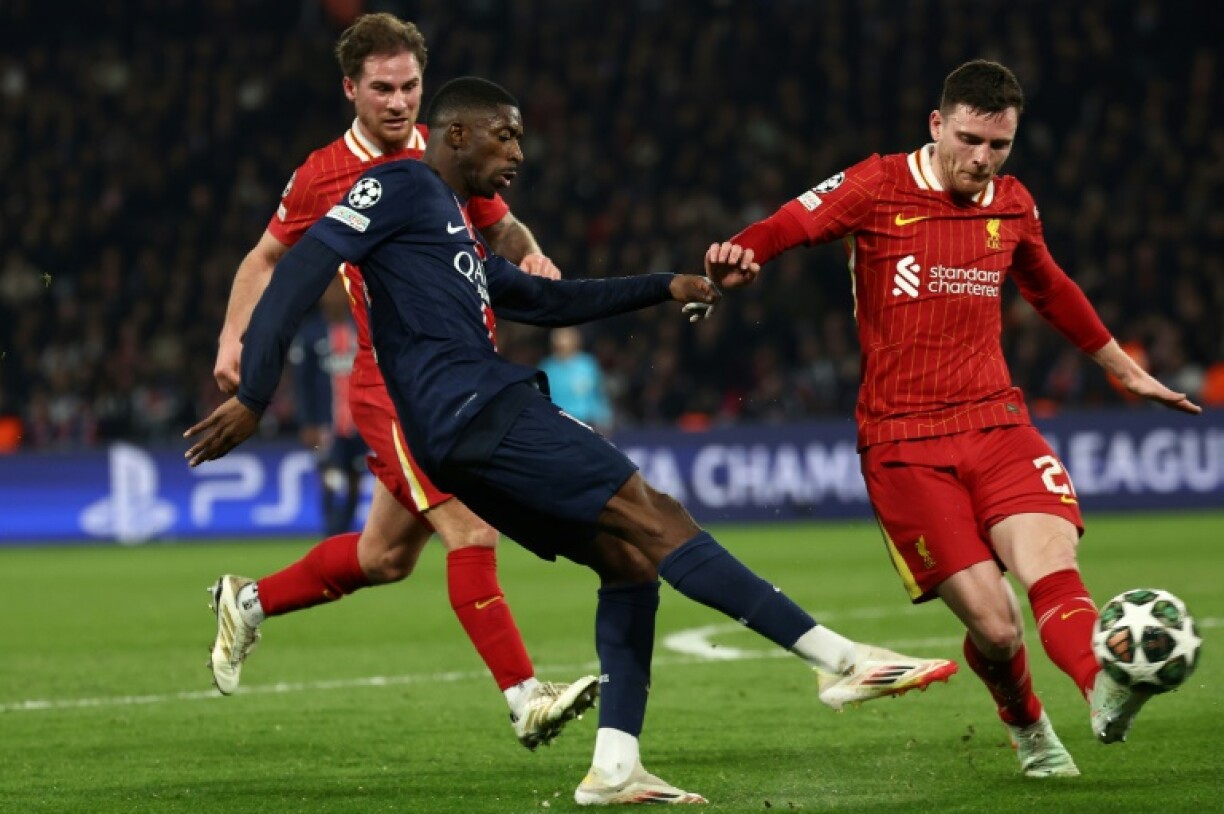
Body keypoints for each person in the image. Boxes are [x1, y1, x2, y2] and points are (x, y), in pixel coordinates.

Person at [186, 76, 958, 806]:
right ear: (456, 134)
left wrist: (664, 286)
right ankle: (841, 661)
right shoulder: (399, 185)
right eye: (505, 137)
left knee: (626, 562)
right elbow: (299, 269)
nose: (518, 154)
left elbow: (542, 299)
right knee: (658, 516)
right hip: (476, 410)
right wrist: (257, 390)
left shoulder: (445, 218)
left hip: (460, 431)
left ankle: (616, 767)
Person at [703, 59, 1202, 779]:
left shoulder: (1013, 203)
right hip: (903, 442)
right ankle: (1027, 725)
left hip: (998, 423)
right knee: (997, 630)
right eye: (970, 140)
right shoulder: (876, 185)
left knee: (1052, 567)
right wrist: (738, 256)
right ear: (937, 125)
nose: (983, 159)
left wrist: (1123, 369)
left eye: (999, 146)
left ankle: (1104, 688)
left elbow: (1050, 287)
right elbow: (788, 223)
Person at [207, 13, 597, 751]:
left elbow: (504, 227)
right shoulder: (322, 174)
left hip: (459, 374)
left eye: (410, 85)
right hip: (393, 387)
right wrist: (234, 335)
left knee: (382, 558)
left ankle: (247, 601)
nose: (398, 102)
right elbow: (265, 260)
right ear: (351, 90)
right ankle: (524, 697)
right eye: (381, 88)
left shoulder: (445, 147)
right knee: (471, 526)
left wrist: (536, 256)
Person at [289, 278, 364, 536]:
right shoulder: (311, 334)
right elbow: (302, 384)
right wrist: (307, 422)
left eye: (338, 290)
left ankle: (346, 531)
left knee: (355, 480)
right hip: (325, 425)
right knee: (331, 478)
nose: (333, 297)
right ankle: (332, 533)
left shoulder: (362, 327)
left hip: (360, 425)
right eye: (328, 291)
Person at [538, 327, 613, 431]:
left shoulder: (587, 365)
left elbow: (599, 394)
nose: (562, 347)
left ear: (575, 342)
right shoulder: (547, 367)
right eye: (559, 345)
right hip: (556, 423)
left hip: (585, 422)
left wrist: (604, 418)